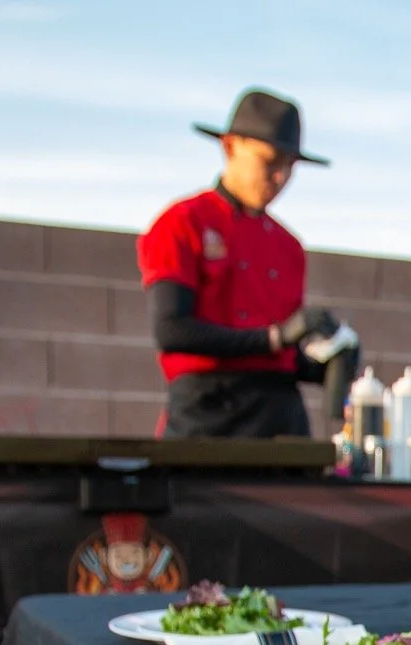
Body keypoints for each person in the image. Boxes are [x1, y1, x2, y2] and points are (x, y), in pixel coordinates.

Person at [136, 89, 358, 438]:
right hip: (208, 414)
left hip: (280, 417)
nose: (280, 178)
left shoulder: (289, 247)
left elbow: (280, 357)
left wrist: (327, 363)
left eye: (289, 166)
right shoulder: (183, 222)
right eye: (270, 162)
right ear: (230, 146)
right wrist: (277, 336)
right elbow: (172, 330)